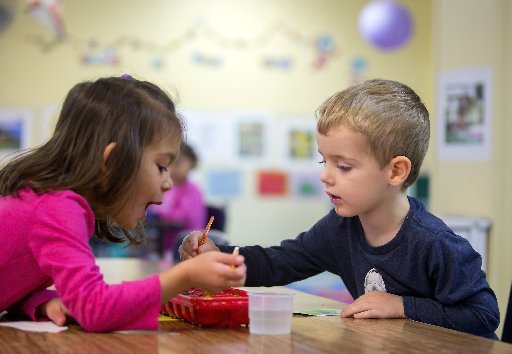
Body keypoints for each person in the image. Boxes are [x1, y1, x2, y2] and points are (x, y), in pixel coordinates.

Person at [179, 79, 500, 339]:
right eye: (324, 160)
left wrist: (403, 305)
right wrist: (216, 255)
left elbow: (483, 315)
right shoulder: (339, 228)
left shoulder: (435, 243)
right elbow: (280, 262)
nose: (325, 175)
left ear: (396, 172)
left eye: (343, 166)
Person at [0, 75, 246, 332]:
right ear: (113, 160)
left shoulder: (49, 202)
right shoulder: (56, 207)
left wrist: (39, 302)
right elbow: (94, 308)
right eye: (162, 166)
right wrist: (186, 276)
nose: (169, 183)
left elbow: (10, 278)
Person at [149, 142, 206, 261]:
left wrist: (160, 214)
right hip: (166, 245)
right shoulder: (170, 189)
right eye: (170, 163)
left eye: (178, 163)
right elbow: (158, 206)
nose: (173, 168)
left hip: (188, 248)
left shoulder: (192, 190)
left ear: (191, 164)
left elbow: (183, 216)